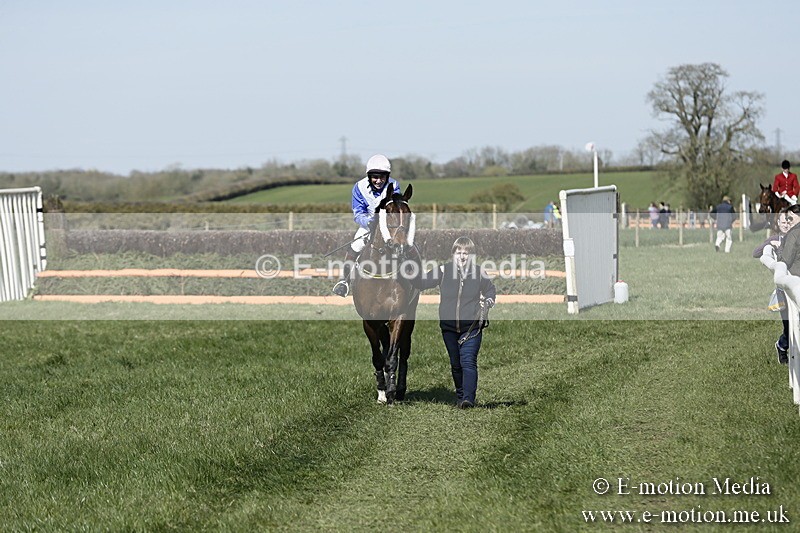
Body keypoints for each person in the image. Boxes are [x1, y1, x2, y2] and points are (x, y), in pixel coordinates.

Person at [411, 237, 497, 409]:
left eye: (466, 253)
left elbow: (490, 290)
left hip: (472, 327)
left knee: (468, 362)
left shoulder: (479, 272)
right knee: (456, 364)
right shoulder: (443, 270)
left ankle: (468, 399)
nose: (462, 256)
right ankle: (460, 396)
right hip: (449, 328)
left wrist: (488, 301)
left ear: (472, 256)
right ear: (453, 254)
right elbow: (421, 282)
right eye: (459, 253)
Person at [332, 154, 401, 297]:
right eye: (375, 177)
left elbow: (396, 209)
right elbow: (358, 213)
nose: (379, 181)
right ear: (369, 176)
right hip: (368, 225)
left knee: (404, 244)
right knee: (355, 246)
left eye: (382, 177)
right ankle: (344, 282)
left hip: (389, 226)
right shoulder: (359, 187)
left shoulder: (394, 186)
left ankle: (414, 278)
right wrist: (369, 222)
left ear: (387, 176)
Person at [754, 207, 798, 364]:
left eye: (788, 220)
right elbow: (756, 252)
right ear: (778, 223)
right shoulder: (777, 238)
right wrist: (771, 245)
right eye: (783, 221)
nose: (786, 224)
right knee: (789, 326)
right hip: (785, 285)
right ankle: (782, 345)